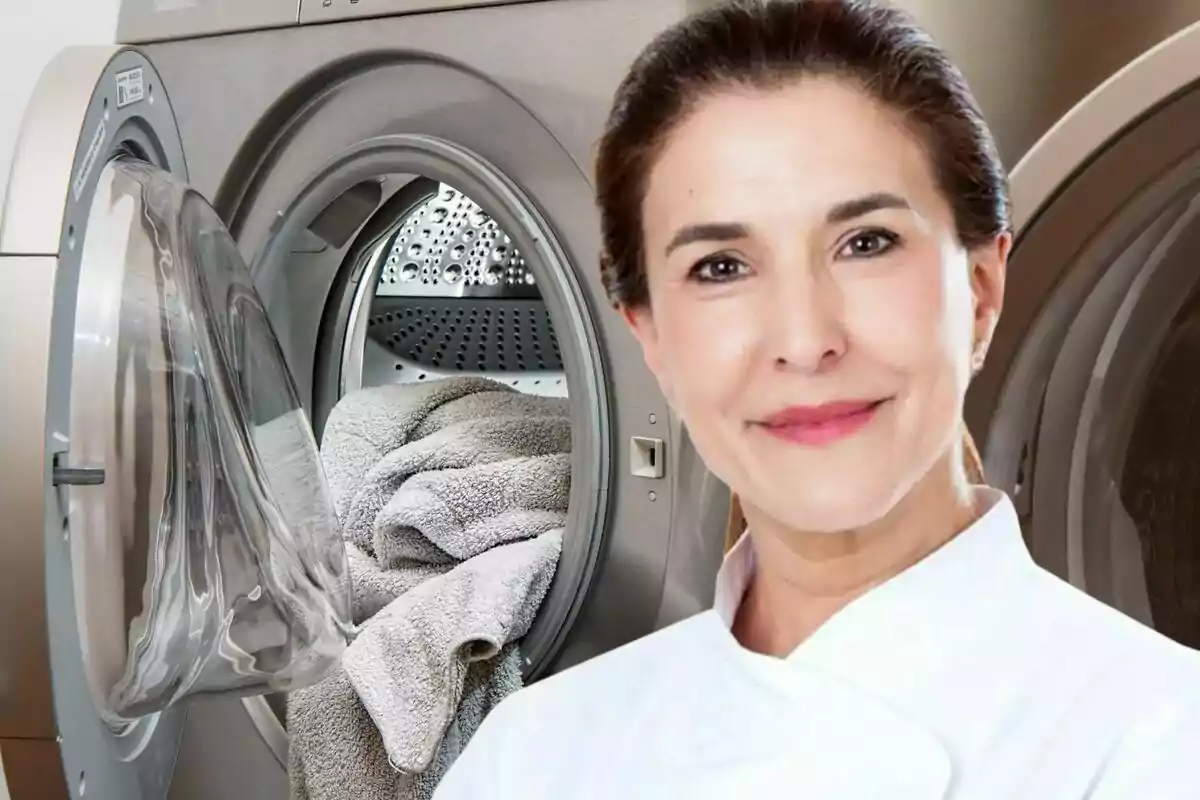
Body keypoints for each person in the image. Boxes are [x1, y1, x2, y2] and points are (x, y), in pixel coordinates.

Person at [434, 1, 1200, 797]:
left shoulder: (1164, 737)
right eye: (721, 267)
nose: (804, 339)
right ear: (651, 337)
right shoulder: (533, 755)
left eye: (866, 243)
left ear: (979, 288)